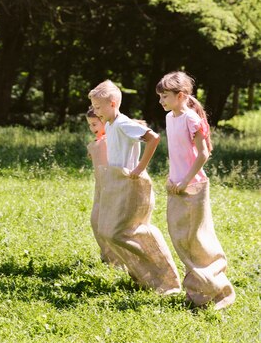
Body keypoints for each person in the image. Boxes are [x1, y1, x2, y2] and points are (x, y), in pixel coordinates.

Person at [88, 80, 180, 295]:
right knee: (107, 231)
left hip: (130, 181)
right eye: (93, 107)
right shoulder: (110, 125)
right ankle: (143, 274)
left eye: (98, 107)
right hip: (116, 181)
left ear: (112, 104)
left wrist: (139, 168)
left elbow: (152, 138)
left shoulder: (122, 123)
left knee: (123, 231)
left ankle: (165, 277)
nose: (95, 111)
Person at [156, 71, 235, 310]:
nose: (161, 101)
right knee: (181, 239)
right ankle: (199, 289)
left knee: (197, 239)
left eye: (165, 96)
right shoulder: (170, 117)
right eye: (160, 97)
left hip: (194, 186)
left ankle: (217, 288)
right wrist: (173, 178)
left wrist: (186, 180)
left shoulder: (192, 119)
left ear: (180, 96)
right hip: (176, 185)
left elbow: (203, 154)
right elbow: (177, 153)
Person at [85, 106, 119, 266]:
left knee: (107, 222)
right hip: (100, 187)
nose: (92, 128)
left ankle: (115, 259)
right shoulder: (98, 141)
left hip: (111, 186)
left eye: (94, 124)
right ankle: (107, 255)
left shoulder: (109, 139)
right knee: (96, 220)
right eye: (90, 125)